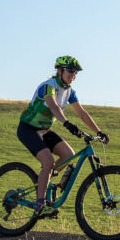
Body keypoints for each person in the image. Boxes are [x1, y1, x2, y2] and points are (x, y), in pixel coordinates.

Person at [16, 56, 108, 217]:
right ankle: (40, 205)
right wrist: (65, 122)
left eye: (76, 72)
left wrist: (98, 132)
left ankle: (44, 181)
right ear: (59, 71)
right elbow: (53, 105)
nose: (73, 74)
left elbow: (82, 113)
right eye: (70, 70)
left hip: (44, 130)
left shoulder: (70, 92)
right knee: (48, 161)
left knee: (68, 154)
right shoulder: (48, 86)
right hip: (28, 129)